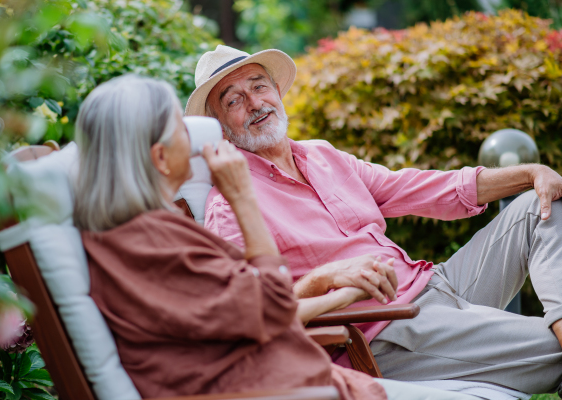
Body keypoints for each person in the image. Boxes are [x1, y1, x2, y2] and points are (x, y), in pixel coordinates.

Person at [186, 45, 562, 396]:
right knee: (553, 350)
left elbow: (416, 187)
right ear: (219, 126)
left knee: (541, 202)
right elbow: (247, 313)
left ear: (277, 92)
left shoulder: (321, 156)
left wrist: (530, 173)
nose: (255, 103)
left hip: (436, 284)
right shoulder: (232, 203)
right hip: (386, 330)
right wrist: (322, 280)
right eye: (234, 100)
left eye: (259, 86)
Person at [72, 75, 472, 400]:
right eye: (181, 130)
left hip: (304, 375)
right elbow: (271, 307)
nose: (196, 141)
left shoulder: (144, 235)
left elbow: (251, 310)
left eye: (260, 87)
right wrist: (242, 195)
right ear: (160, 158)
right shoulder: (152, 246)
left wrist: (343, 294)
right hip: (290, 387)